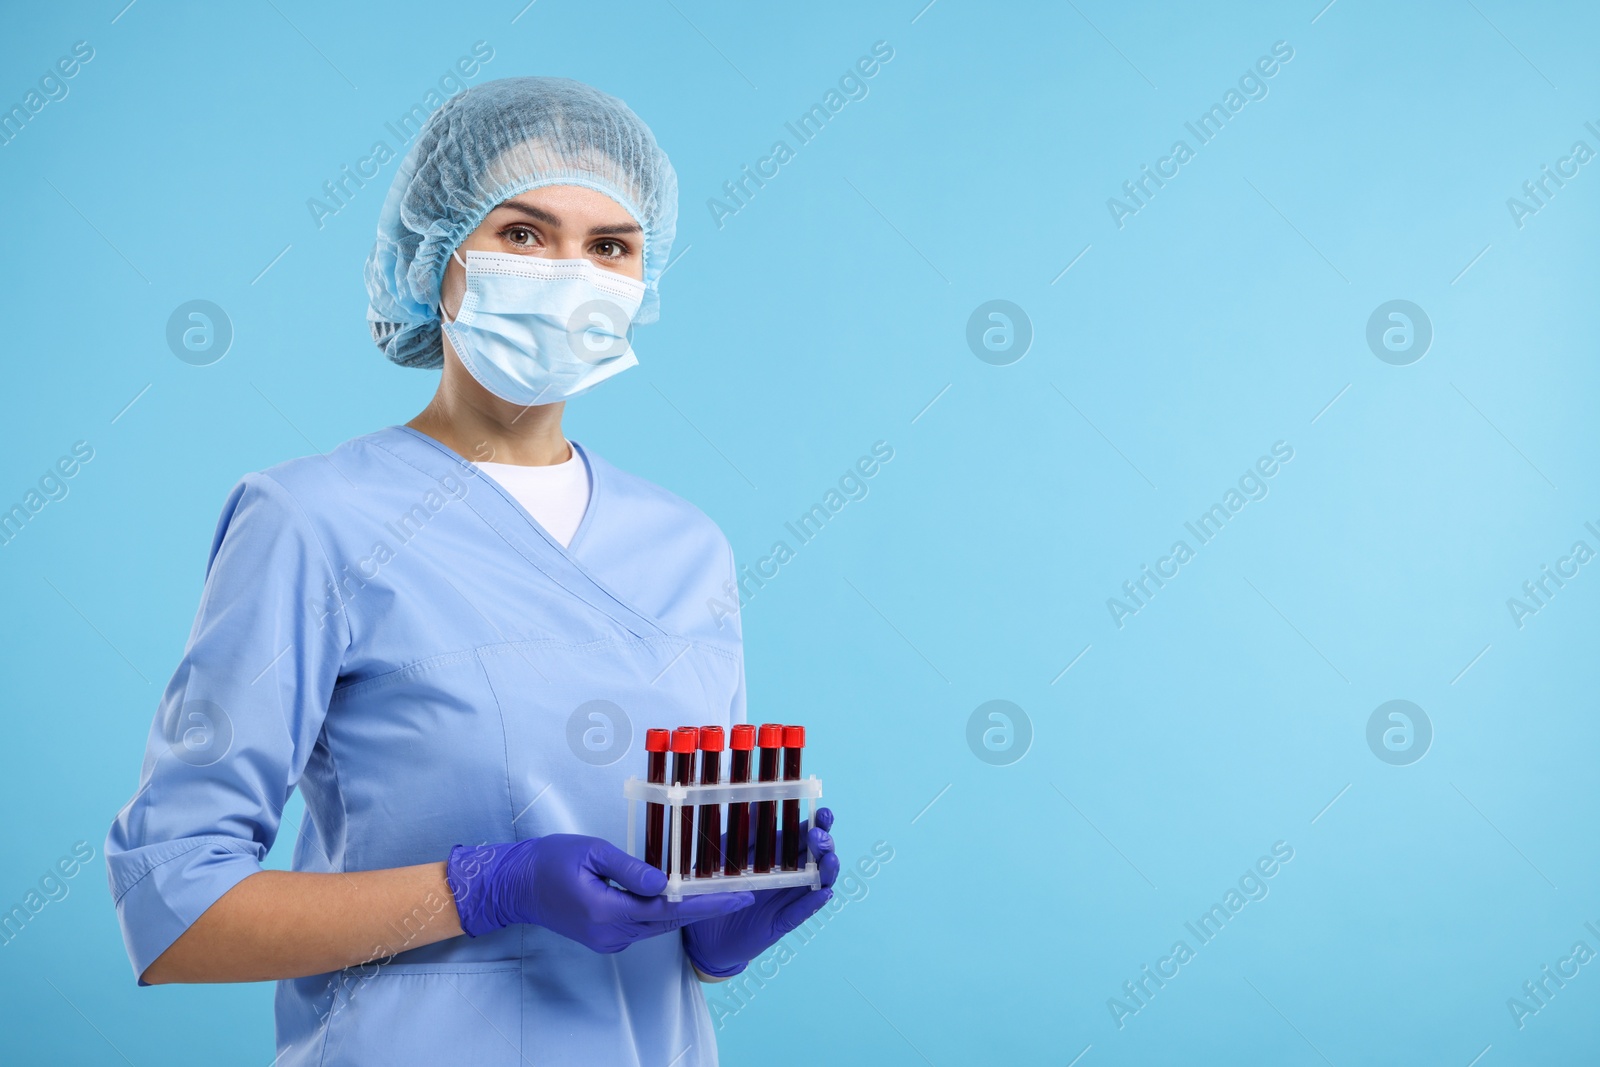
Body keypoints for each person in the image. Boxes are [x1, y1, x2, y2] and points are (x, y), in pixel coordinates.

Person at [105, 76, 837, 1066]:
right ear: (436, 256)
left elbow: (671, 896)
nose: (571, 272)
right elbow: (174, 907)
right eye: (525, 235)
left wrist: (724, 926)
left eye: (610, 246)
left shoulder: (686, 546)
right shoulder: (314, 520)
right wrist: (481, 886)